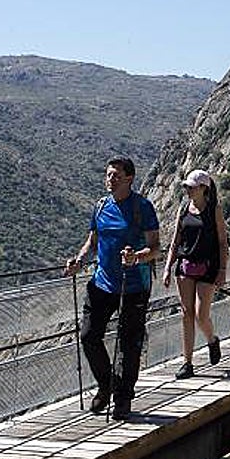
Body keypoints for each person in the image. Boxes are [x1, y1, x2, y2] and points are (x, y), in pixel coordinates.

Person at [65, 156, 161, 420]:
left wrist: (136, 258)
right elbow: (93, 241)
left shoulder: (143, 208)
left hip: (134, 286)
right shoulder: (100, 207)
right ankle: (107, 385)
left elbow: (155, 248)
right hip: (102, 282)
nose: (110, 179)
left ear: (129, 178)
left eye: (116, 175)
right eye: (108, 175)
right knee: (88, 335)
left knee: (129, 344)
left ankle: (122, 398)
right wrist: (79, 260)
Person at [163, 169, 229, 378]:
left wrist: (222, 270)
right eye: (186, 187)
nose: (188, 190)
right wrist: (167, 268)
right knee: (186, 314)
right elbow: (175, 242)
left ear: (203, 188)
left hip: (208, 267)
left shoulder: (213, 210)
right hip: (185, 266)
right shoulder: (183, 210)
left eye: (191, 187)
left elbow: (222, 242)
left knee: (201, 314)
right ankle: (187, 363)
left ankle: (212, 340)